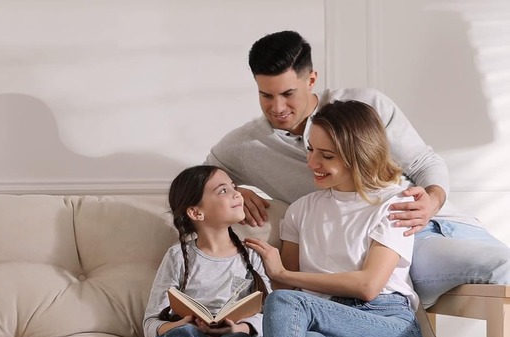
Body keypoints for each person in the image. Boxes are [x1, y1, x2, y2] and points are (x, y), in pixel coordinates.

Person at [205, 30, 510, 308]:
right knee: (504, 264)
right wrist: (234, 190)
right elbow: (198, 183)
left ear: (311, 80)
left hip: (450, 222)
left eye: (287, 94)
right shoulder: (245, 147)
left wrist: (433, 199)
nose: (277, 108)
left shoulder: (365, 104)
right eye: (265, 95)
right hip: (403, 242)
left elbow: (423, 162)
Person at [233, 100, 427, 337]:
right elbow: (290, 299)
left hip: (388, 326)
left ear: (358, 154)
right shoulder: (300, 211)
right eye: (311, 150)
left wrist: (283, 275)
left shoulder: (396, 203)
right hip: (326, 323)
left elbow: (369, 285)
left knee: (289, 305)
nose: (312, 163)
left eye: (327, 155)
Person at [142, 165, 272, 337]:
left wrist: (239, 329)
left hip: (233, 336)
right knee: (183, 334)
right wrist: (180, 323)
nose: (237, 194)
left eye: (234, 187)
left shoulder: (251, 255)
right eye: (223, 190)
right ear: (196, 212)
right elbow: (150, 323)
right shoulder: (178, 257)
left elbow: (271, 317)